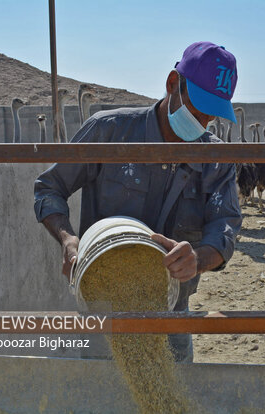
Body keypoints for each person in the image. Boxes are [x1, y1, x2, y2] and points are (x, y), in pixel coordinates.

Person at [33, 41, 242, 362]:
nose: (202, 124)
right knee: (98, 394)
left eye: (211, 117)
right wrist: (68, 240)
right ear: (173, 84)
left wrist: (197, 259)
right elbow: (49, 187)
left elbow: (225, 226)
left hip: (172, 310)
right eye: (197, 109)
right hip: (104, 308)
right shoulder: (109, 132)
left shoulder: (216, 158)